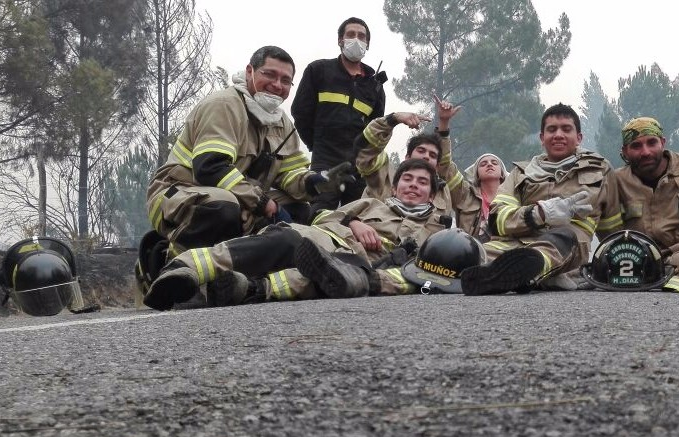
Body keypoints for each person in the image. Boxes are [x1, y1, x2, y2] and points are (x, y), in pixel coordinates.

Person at [140, 46, 351, 292]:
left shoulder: (282, 123)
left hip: (238, 195)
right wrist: (263, 203)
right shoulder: (224, 105)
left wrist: (314, 182)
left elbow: (290, 175)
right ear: (250, 72)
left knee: (298, 211)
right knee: (223, 207)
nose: (277, 84)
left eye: (285, 80)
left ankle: (237, 277)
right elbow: (210, 167)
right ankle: (169, 264)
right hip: (178, 192)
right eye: (269, 75)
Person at [142, 159, 450, 310]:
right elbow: (325, 216)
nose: (413, 185)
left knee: (314, 280)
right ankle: (185, 268)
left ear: (432, 193)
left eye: (422, 182)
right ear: (395, 187)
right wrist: (355, 223)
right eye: (406, 179)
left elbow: (431, 270)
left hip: (359, 267)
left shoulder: (437, 231)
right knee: (286, 241)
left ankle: (214, 293)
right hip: (331, 240)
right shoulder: (370, 203)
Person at [459, 103, 611, 295]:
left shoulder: (600, 170)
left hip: (566, 249)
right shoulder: (520, 173)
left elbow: (613, 226)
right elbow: (497, 219)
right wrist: (540, 214)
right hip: (511, 248)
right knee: (461, 254)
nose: (558, 134)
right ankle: (498, 276)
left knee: (563, 236)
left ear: (579, 137)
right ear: (542, 138)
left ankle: (526, 270)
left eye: (566, 129)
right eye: (551, 129)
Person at [355, 93, 483, 237]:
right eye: (421, 151)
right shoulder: (385, 177)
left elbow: (447, 167)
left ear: (436, 166)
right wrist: (393, 118)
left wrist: (444, 123)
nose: (426, 156)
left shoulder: (443, 190)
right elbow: (365, 149)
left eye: (432, 155)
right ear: (407, 157)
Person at [291, 17, 386, 205]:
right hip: (325, 161)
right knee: (320, 215)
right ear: (340, 40)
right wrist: (317, 144)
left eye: (361, 36)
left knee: (359, 219)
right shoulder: (318, 70)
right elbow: (300, 112)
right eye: (350, 35)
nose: (356, 39)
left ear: (367, 44)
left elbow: (376, 129)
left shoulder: (374, 85)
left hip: (359, 167)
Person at [596, 117, 679, 290]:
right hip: (638, 263)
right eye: (636, 146)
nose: (645, 152)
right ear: (625, 151)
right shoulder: (615, 181)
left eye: (652, 143)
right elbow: (609, 233)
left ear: (663, 143)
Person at [464, 152, 507, 242]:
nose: (489, 164)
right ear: (477, 175)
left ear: (502, 173)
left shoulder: (515, 196)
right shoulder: (466, 196)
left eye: (494, 163)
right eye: (483, 164)